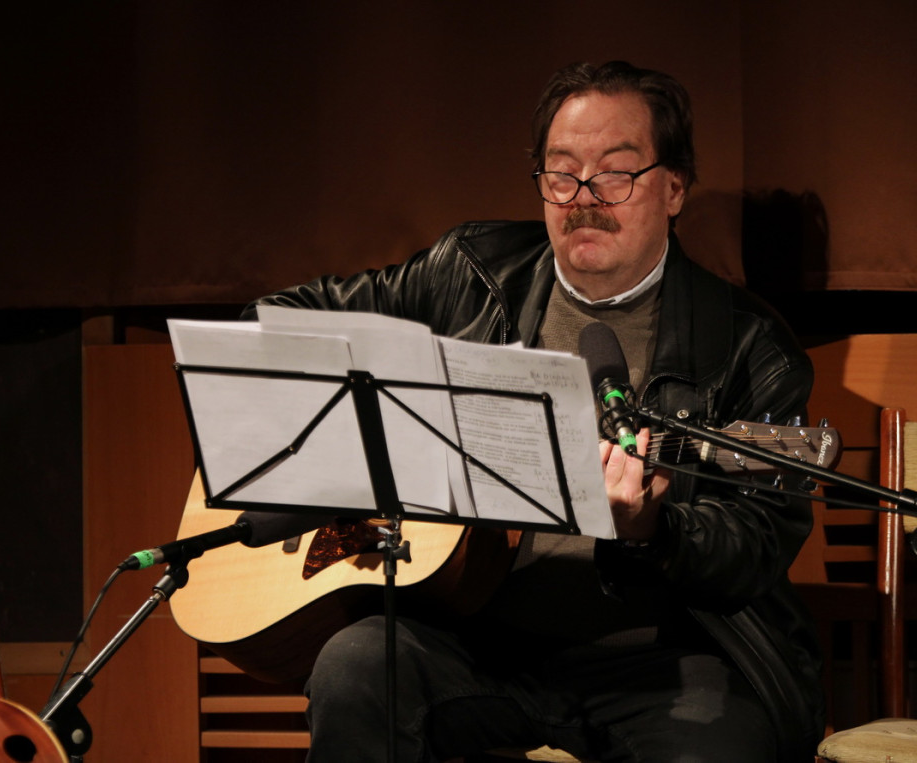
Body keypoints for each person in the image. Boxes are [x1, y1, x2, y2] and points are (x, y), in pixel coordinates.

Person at [246, 60, 824, 762]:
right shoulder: (470, 273)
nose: (584, 198)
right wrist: (362, 450)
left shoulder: (750, 345)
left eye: (615, 173)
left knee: (718, 750)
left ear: (674, 188)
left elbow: (753, 546)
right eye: (562, 173)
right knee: (355, 668)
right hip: (473, 633)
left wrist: (653, 529)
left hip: (666, 655)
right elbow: (276, 322)